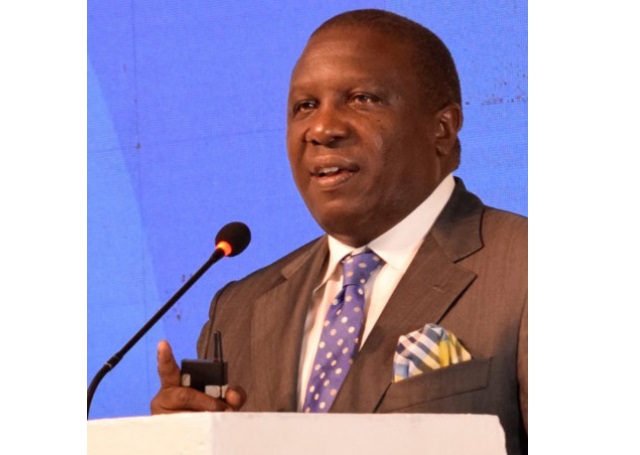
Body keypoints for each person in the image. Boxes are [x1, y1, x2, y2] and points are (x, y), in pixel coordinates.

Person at [151, 8, 527, 455]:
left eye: (362, 99)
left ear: (441, 129)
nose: (322, 129)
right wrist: (180, 441)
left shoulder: (525, 268)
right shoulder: (238, 310)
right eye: (305, 106)